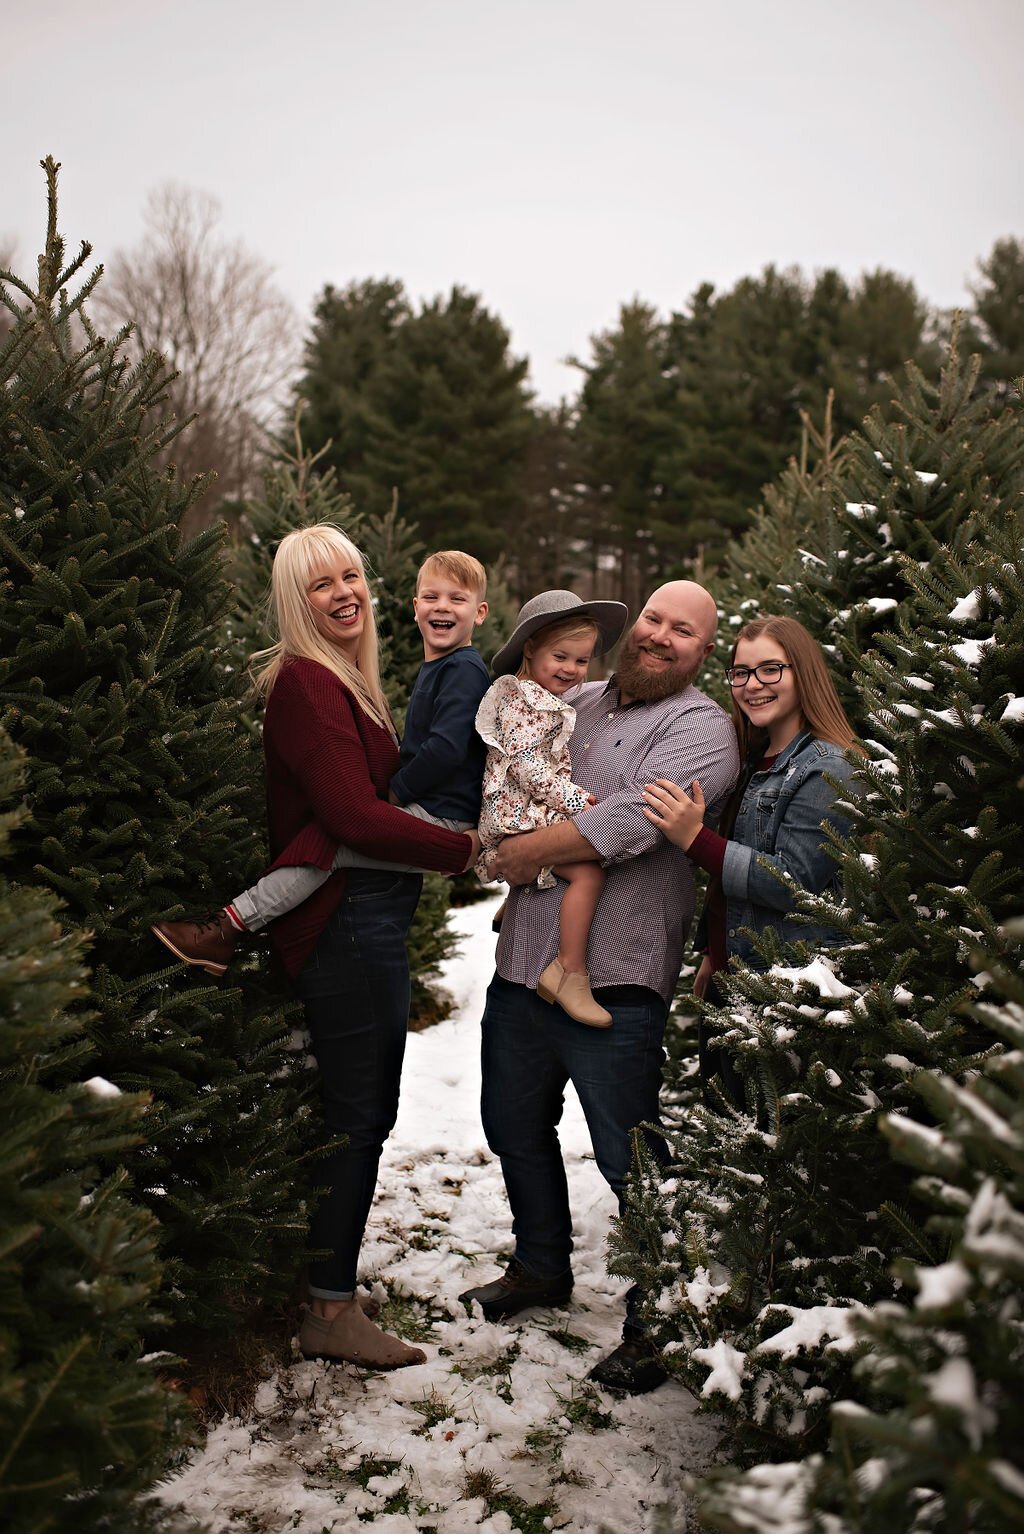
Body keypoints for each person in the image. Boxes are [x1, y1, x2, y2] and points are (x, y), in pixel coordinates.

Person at [160, 525, 479, 1369]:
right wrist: (466, 850)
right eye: (318, 585)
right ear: (294, 603)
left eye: (350, 576)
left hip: (362, 916)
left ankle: (326, 1283)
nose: (343, 593)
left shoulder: (347, 681)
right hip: (342, 925)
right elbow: (349, 816)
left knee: (359, 1112)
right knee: (360, 1117)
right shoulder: (307, 684)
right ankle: (329, 1313)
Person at [459, 581, 740, 1394]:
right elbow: (508, 762)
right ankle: (540, 1266)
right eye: (653, 618)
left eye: (682, 632)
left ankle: (657, 1324)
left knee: (629, 1156)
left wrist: (520, 853)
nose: (659, 637)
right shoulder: (568, 695)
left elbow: (630, 821)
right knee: (512, 1124)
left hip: (616, 978)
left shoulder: (701, 728)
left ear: (702, 650)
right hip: (524, 961)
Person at [151, 549, 491, 975]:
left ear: (479, 613)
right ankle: (226, 928)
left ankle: (227, 928)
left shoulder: (462, 669)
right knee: (327, 844)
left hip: (441, 818)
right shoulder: (330, 679)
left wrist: (401, 795)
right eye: (322, 584)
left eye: (456, 599)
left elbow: (444, 749)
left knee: (327, 847)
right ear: (415, 605)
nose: (443, 607)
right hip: (379, 887)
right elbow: (357, 806)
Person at [641, 614, 861, 1105]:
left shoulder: (828, 768)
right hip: (732, 977)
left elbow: (792, 881)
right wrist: (711, 955)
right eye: (740, 672)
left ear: (802, 672)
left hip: (785, 987)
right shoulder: (751, 762)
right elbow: (727, 882)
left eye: (769, 670)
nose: (752, 685)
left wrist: (693, 838)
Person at [475, 591, 628, 1028]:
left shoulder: (537, 695)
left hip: (519, 808)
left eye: (580, 662)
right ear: (530, 648)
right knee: (588, 870)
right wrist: (572, 798)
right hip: (516, 811)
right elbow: (523, 764)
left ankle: (514, 897)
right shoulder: (522, 700)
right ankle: (569, 970)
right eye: (560, 656)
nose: (571, 669)